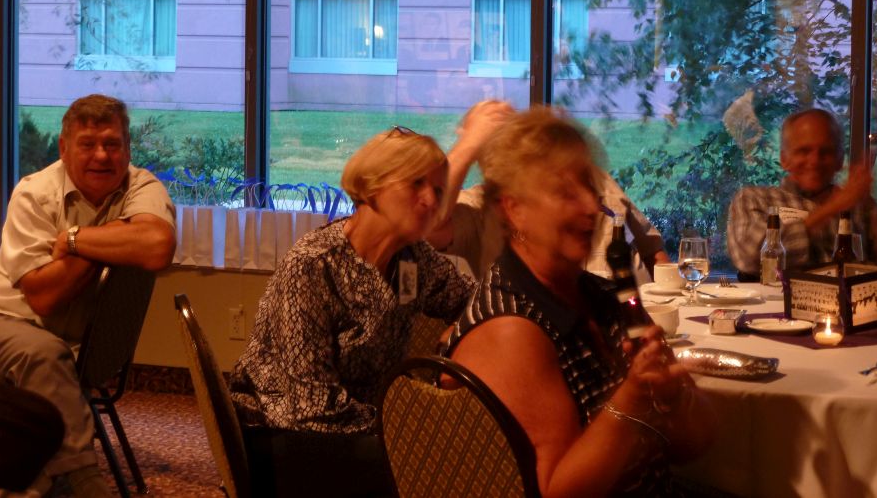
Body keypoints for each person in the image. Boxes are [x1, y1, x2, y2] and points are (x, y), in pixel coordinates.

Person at [444, 107, 714, 497]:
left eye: (590, 186)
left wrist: (674, 399)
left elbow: (696, 445)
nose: (592, 206)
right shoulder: (510, 328)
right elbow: (557, 491)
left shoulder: (605, 296)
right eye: (565, 192)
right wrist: (632, 397)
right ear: (514, 209)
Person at [229, 126, 476, 497]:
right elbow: (313, 406)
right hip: (285, 435)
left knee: (451, 452)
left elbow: (477, 304)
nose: (430, 201)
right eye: (416, 183)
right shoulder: (314, 265)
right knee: (434, 464)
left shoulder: (414, 259)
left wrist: (460, 332)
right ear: (372, 187)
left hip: (363, 425)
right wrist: (407, 426)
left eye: (439, 191)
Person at [0, 94, 177, 498]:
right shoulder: (34, 194)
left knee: (48, 354)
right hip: (8, 322)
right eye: (88, 144)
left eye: (112, 144)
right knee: (43, 354)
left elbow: (156, 246)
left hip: (86, 345)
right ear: (64, 149)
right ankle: (83, 480)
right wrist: (113, 242)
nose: (101, 155)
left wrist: (75, 240)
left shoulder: (141, 185)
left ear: (127, 149)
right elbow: (43, 298)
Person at [430, 100, 666, 278]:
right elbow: (430, 224)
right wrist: (469, 143)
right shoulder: (478, 209)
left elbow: (652, 250)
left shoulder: (593, 179)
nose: (590, 205)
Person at [726, 108, 877, 277]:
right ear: (784, 159)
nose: (815, 160)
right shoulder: (756, 199)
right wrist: (833, 208)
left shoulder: (857, 207)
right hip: (777, 304)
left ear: (839, 160)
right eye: (804, 151)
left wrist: (869, 206)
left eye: (826, 152)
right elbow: (749, 257)